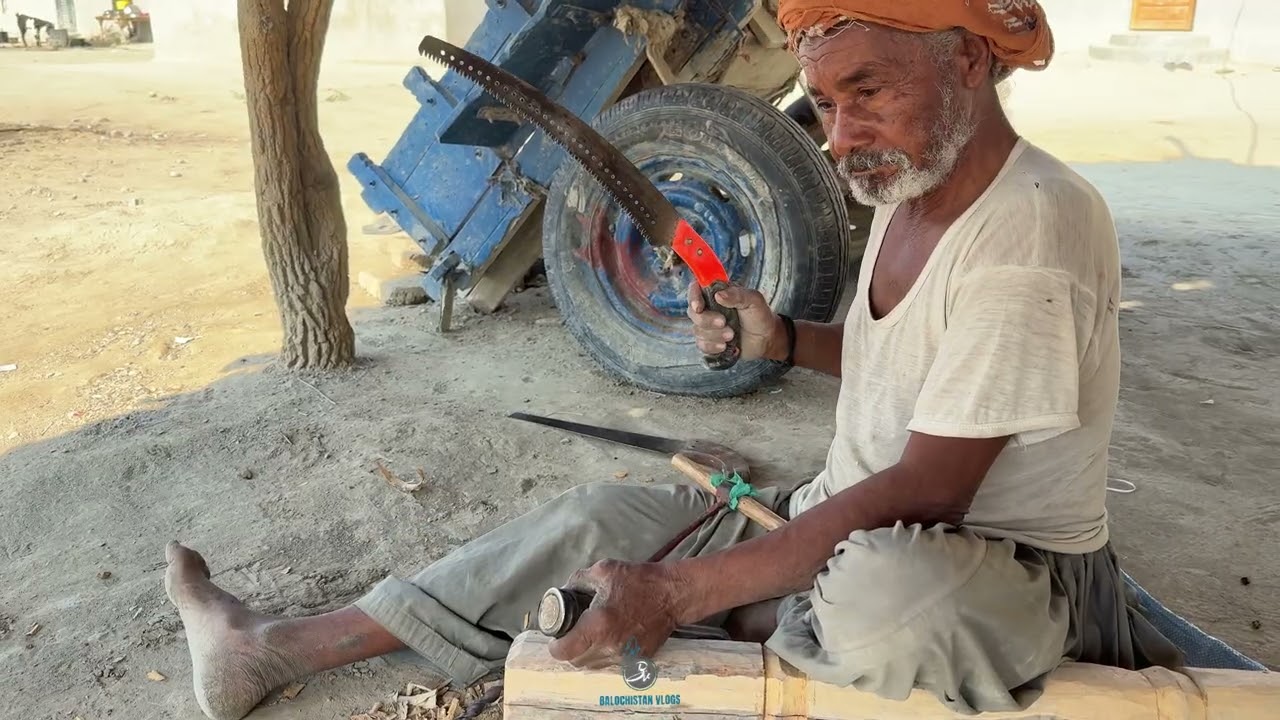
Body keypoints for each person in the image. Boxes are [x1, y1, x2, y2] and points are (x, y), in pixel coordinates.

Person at [161, 1, 1185, 719]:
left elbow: (931, 485)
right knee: (595, 522)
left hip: (984, 569)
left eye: (866, 89)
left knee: (882, 599)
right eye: (824, 103)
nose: (838, 135)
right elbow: (908, 371)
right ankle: (276, 648)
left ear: (967, 59)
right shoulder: (911, 187)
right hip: (848, 516)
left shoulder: (1029, 225)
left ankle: (738, 618)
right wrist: (782, 341)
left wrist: (680, 593)